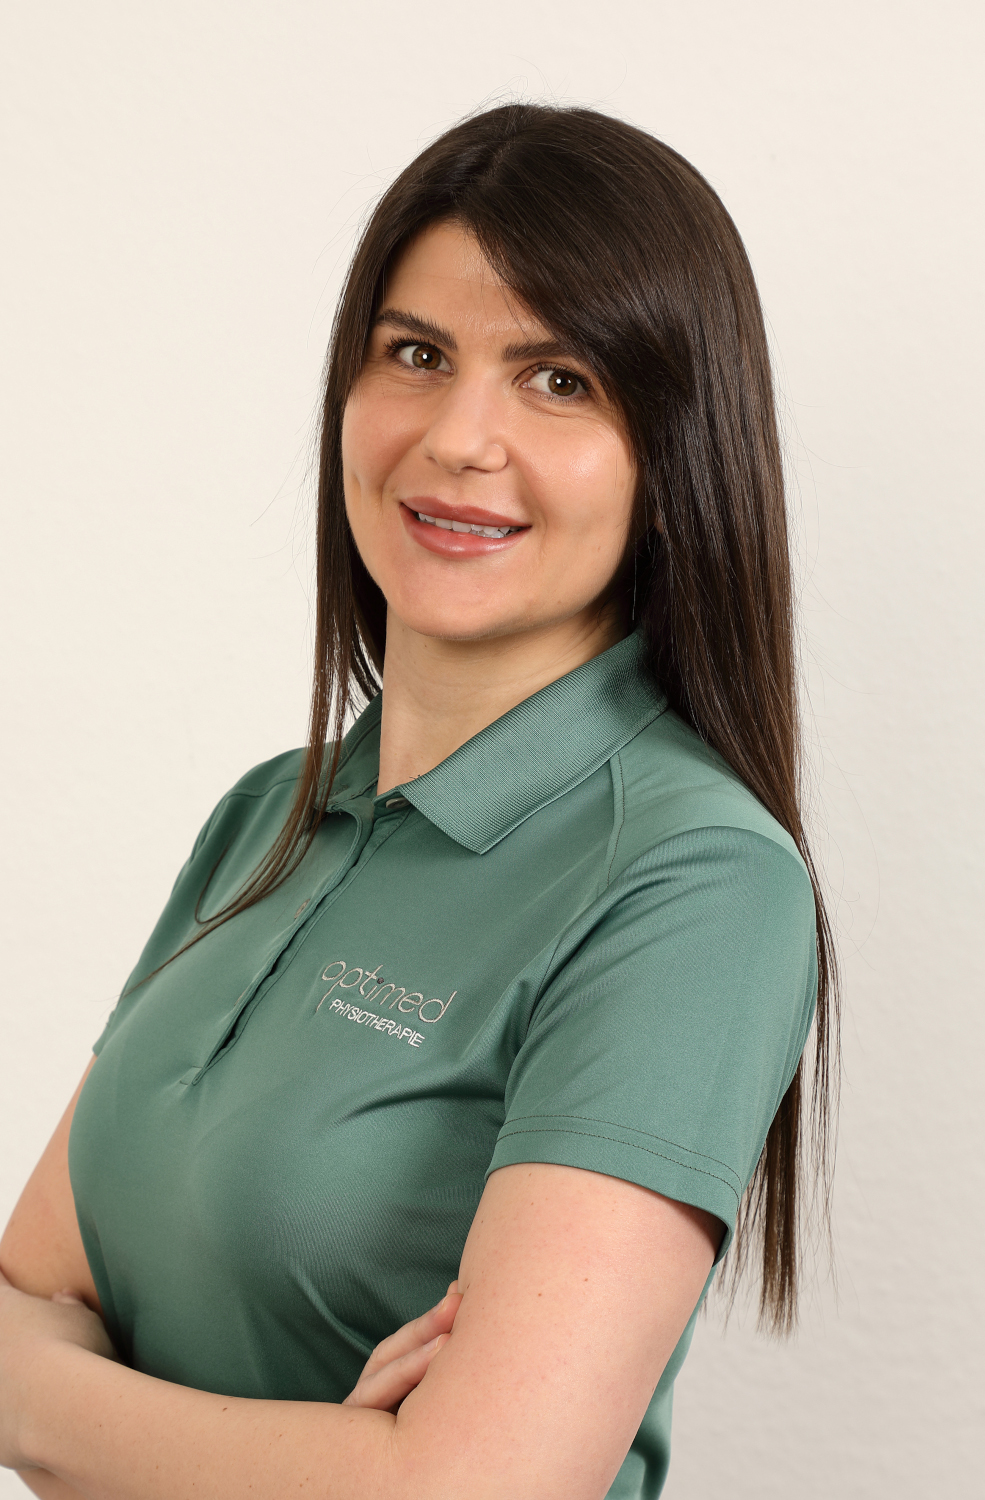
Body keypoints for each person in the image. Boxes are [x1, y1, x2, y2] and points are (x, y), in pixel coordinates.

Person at [0, 102, 837, 1499]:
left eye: (558, 379)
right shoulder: (268, 815)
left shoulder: (695, 881)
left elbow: (473, 1491)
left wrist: (33, 1405)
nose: (458, 437)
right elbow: (30, 1281)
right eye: (417, 355)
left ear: (674, 452)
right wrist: (345, 1457)